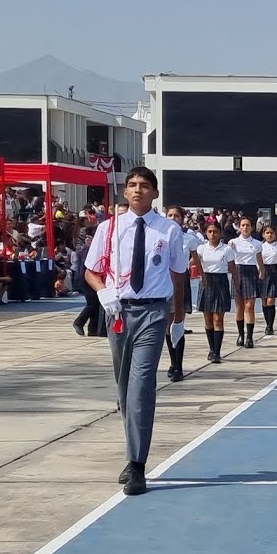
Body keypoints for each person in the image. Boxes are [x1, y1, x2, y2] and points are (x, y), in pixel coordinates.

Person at [83, 168, 188, 496]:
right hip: (118, 312)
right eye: (132, 186)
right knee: (124, 386)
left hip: (154, 312)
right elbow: (91, 271)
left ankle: (138, 464)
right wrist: (102, 291)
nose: (137, 190)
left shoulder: (169, 230)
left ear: (155, 193)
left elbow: (178, 274)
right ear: (125, 192)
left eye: (144, 186)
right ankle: (133, 452)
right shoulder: (109, 228)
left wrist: (179, 316)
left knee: (142, 385)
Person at [164, 206, 201, 381]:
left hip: (180, 279)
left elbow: (196, 257)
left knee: (178, 323)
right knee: (167, 325)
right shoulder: (160, 234)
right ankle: (172, 362)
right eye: (169, 215)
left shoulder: (188, 237)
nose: (172, 218)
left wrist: (201, 275)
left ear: (182, 218)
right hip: (162, 281)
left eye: (176, 215)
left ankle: (179, 366)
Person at [196, 221, 239, 363]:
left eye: (215, 232)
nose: (212, 234)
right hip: (206, 282)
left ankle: (217, 352)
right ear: (206, 233)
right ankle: (211, 348)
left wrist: (237, 286)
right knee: (208, 318)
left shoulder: (226, 249)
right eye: (210, 232)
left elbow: (233, 269)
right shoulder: (201, 249)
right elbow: (194, 262)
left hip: (220, 282)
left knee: (218, 319)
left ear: (220, 233)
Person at [228, 217, 265, 348]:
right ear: (239, 227)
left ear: (251, 227)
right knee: (239, 307)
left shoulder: (257, 243)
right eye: (243, 225)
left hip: (251, 271)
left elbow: (259, 258)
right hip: (238, 271)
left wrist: (262, 270)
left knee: (249, 306)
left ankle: (249, 336)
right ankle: (240, 335)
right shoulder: (233, 242)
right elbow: (229, 258)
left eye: (247, 225)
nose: (245, 228)